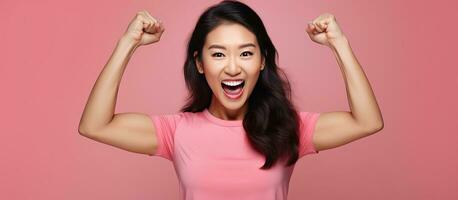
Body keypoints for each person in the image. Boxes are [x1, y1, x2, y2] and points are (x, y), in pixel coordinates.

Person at [78, 0, 384, 199]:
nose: (233, 67)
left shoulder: (288, 127)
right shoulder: (177, 132)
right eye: (219, 54)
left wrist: (339, 45)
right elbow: (95, 125)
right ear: (200, 63)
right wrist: (127, 43)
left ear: (263, 61)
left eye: (246, 53)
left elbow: (367, 121)